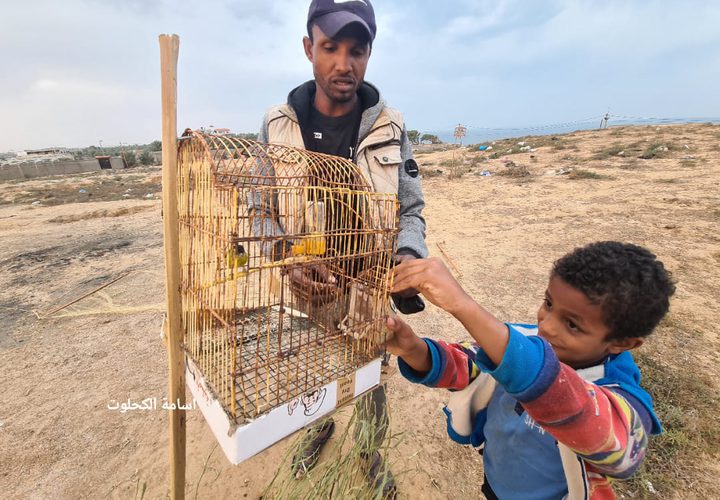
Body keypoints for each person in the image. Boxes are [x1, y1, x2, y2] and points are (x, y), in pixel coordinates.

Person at [257, 0, 428, 495]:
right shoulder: (278, 125)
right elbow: (260, 209)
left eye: (357, 50)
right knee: (312, 363)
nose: (343, 63)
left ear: (369, 54)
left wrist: (407, 256)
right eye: (330, 47)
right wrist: (285, 257)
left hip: (369, 282)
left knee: (372, 374)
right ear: (309, 48)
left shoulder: (389, 127)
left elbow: (411, 208)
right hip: (306, 282)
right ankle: (317, 426)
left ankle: (371, 452)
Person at [386, 241, 675, 499]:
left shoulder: (617, 401)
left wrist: (463, 305)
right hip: (497, 481)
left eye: (572, 324)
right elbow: (467, 365)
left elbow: (619, 450)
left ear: (623, 343)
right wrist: (412, 348)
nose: (546, 326)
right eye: (548, 303)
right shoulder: (520, 343)